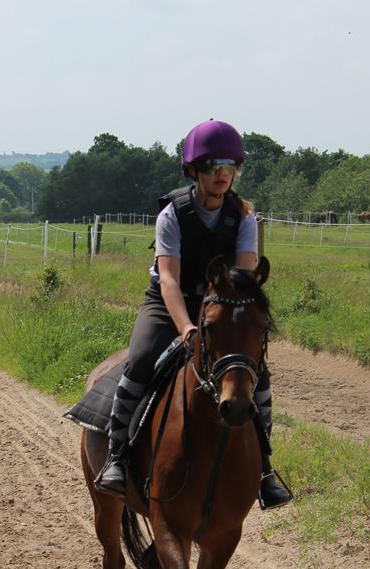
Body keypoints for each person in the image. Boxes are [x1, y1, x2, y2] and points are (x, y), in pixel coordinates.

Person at [94, 118, 293, 509]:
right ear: (194, 171)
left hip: (221, 304)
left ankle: (265, 469)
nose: (222, 175)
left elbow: (243, 277)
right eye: (212, 167)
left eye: (229, 168)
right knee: (142, 359)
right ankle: (117, 457)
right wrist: (185, 327)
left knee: (258, 374)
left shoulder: (244, 217)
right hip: (171, 303)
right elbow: (168, 279)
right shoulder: (172, 214)